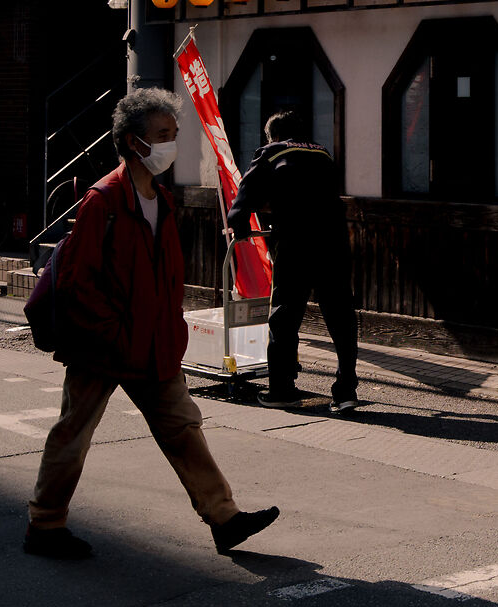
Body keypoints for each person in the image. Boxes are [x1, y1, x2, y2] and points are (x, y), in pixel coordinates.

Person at [25, 87, 279, 560]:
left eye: (173, 133)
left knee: (183, 427)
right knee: (73, 434)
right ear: (132, 141)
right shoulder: (103, 200)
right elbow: (78, 282)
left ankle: (224, 517)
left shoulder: (161, 199)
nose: (171, 144)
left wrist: (172, 331)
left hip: (154, 344)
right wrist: (113, 332)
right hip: (104, 347)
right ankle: (45, 523)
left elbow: (166, 279)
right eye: (163, 135)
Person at [228, 110, 358, 408]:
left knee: (285, 315)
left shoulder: (272, 152)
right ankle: (346, 391)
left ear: (273, 135)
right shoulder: (323, 153)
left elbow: (245, 194)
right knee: (341, 316)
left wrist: (239, 224)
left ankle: (282, 390)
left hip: (296, 242)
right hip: (334, 242)